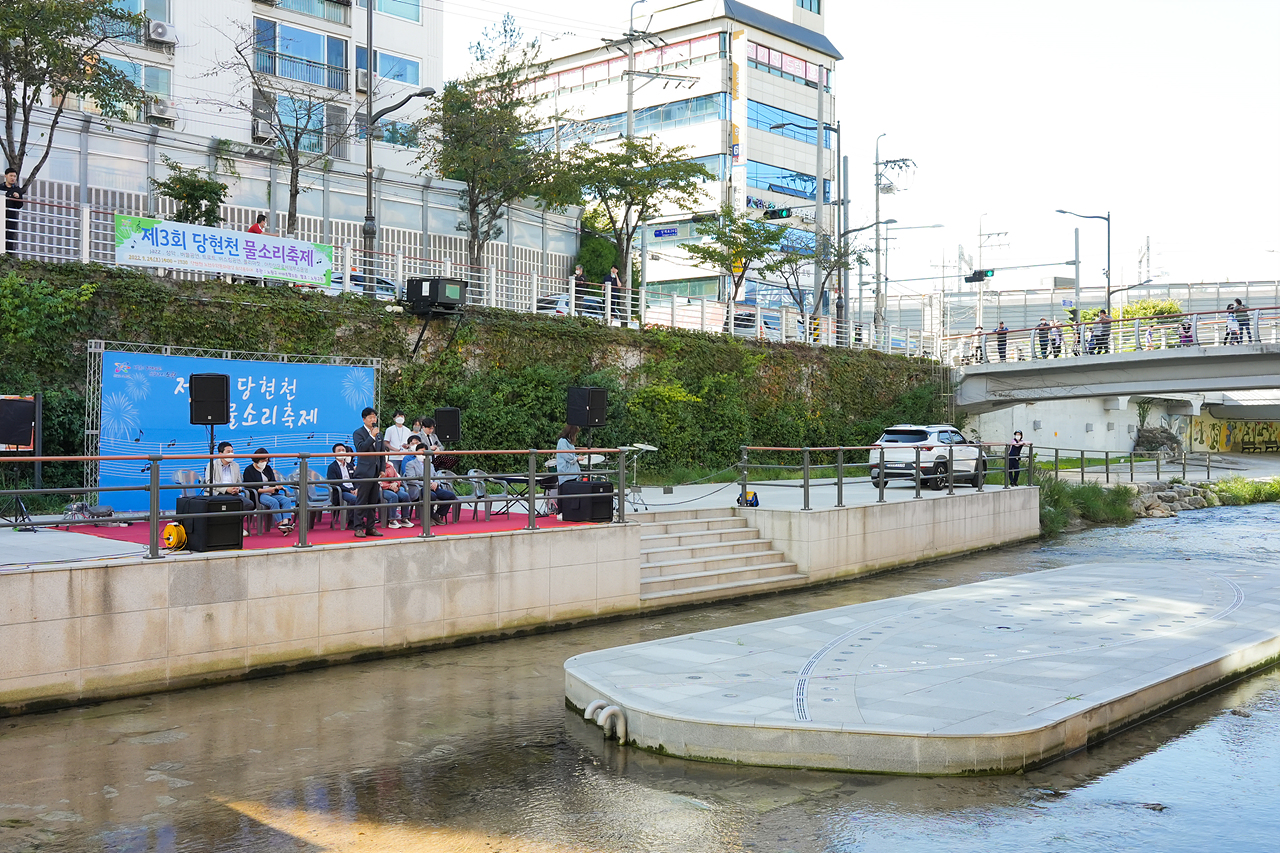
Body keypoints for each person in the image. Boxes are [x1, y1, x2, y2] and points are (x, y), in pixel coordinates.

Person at [242, 448, 295, 533]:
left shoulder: (268, 468)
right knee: (274, 502)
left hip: (271, 493)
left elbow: (273, 481)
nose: (264, 462)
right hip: (259, 495)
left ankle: (286, 522)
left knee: (286, 500)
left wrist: (277, 486)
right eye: (263, 460)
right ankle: (281, 524)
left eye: (266, 460)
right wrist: (266, 490)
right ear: (257, 459)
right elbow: (250, 486)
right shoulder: (249, 470)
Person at [351, 406, 385, 538]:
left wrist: (382, 468)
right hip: (364, 472)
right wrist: (371, 436)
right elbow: (361, 448)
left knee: (373, 502)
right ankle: (358, 527)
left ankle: (371, 527)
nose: (373, 419)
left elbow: (381, 453)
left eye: (375, 417)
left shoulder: (379, 434)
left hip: (376, 472)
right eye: (370, 417)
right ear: (364, 419)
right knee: (361, 501)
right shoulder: (358, 433)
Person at [206, 441, 253, 511]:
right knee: (229, 504)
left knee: (249, 504)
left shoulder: (236, 465)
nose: (231, 454)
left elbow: (239, 482)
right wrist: (226, 489)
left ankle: (236, 520)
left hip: (234, 494)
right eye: (228, 451)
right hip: (218, 493)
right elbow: (210, 482)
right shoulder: (212, 464)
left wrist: (237, 489)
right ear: (220, 454)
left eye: (232, 451)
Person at [326, 443, 359, 529]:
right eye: (339, 451)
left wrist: (357, 489)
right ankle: (352, 523)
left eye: (343, 450)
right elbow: (335, 483)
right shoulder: (332, 467)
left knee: (366, 496)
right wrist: (349, 491)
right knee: (354, 499)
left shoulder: (350, 465)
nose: (341, 452)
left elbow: (356, 479)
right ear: (334, 453)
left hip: (353, 489)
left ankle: (363, 521)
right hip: (342, 491)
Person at [380, 459, 411, 528]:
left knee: (405, 496)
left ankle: (404, 519)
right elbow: (378, 482)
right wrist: (389, 486)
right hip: (382, 489)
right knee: (393, 496)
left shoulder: (390, 466)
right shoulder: (376, 466)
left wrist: (396, 484)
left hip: (393, 487)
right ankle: (392, 520)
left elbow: (397, 477)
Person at [3, 167, 23, 255]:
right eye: (11, 176)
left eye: (14, 176)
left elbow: (20, 206)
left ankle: (8, 257)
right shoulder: (0, 187)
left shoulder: (17, 190)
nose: (13, 178)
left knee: (9, 237)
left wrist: (17, 198)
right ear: (6, 176)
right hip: (1, 215)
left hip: (11, 218)